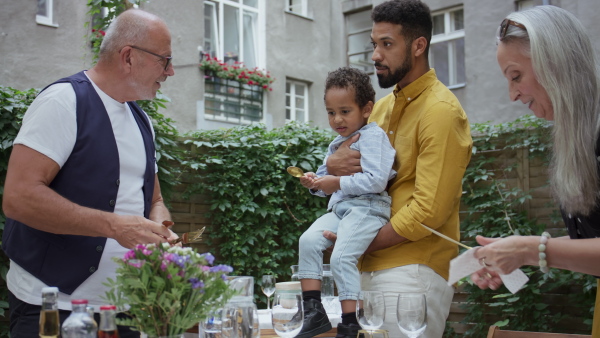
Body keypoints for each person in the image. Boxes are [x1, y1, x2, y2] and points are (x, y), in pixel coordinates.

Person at [2, 9, 177, 337]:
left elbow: (154, 198)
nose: (170, 72)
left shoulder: (143, 122)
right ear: (128, 56)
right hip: (51, 307)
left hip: (124, 309)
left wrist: (161, 230)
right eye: (164, 60)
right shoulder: (63, 102)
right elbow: (18, 197)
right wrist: (114, 226)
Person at [323, 1, 473, 337]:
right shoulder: (379, 108)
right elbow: (348, 171)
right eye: (374, 44)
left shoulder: (442, 111)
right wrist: (332, 163)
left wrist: (357, 242)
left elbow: (428, 210)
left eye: (387, 44)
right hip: (363, 268)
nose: (376, 55)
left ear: (418, 46)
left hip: (413, 270)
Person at [468, 5, 600, 335]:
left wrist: (529, 249)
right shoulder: (578, 138)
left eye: (516, 76)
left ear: (553, 61)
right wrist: (514, 254)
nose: (512, 95)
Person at [295, 67, 396, 338]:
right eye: (331, 112)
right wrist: (314, 182)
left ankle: (351, 322)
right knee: (307, 241)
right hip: (341, 210)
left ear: (366, 109)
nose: (337, 119)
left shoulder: (374, 137)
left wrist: (335, 183)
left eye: (345, 111)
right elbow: (327, 181)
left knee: (341, 256)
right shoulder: (337, 143)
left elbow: (377, 181)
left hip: (368, 208)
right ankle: (314, 313)